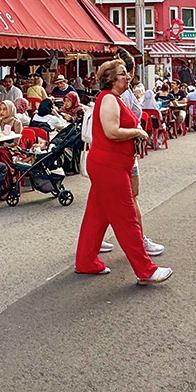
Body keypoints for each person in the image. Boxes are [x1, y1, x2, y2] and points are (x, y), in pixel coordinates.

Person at [74, 60, 171, 284]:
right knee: (127, 218)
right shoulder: (109, 99)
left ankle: (86, 261)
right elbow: (112, 131)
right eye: (122, 74)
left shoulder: (111, 98)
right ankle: (145, 270)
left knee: (96, 217)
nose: (127, 77)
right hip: (110, 165)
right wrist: (137, 132)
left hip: (109, 164)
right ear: (110, 79)